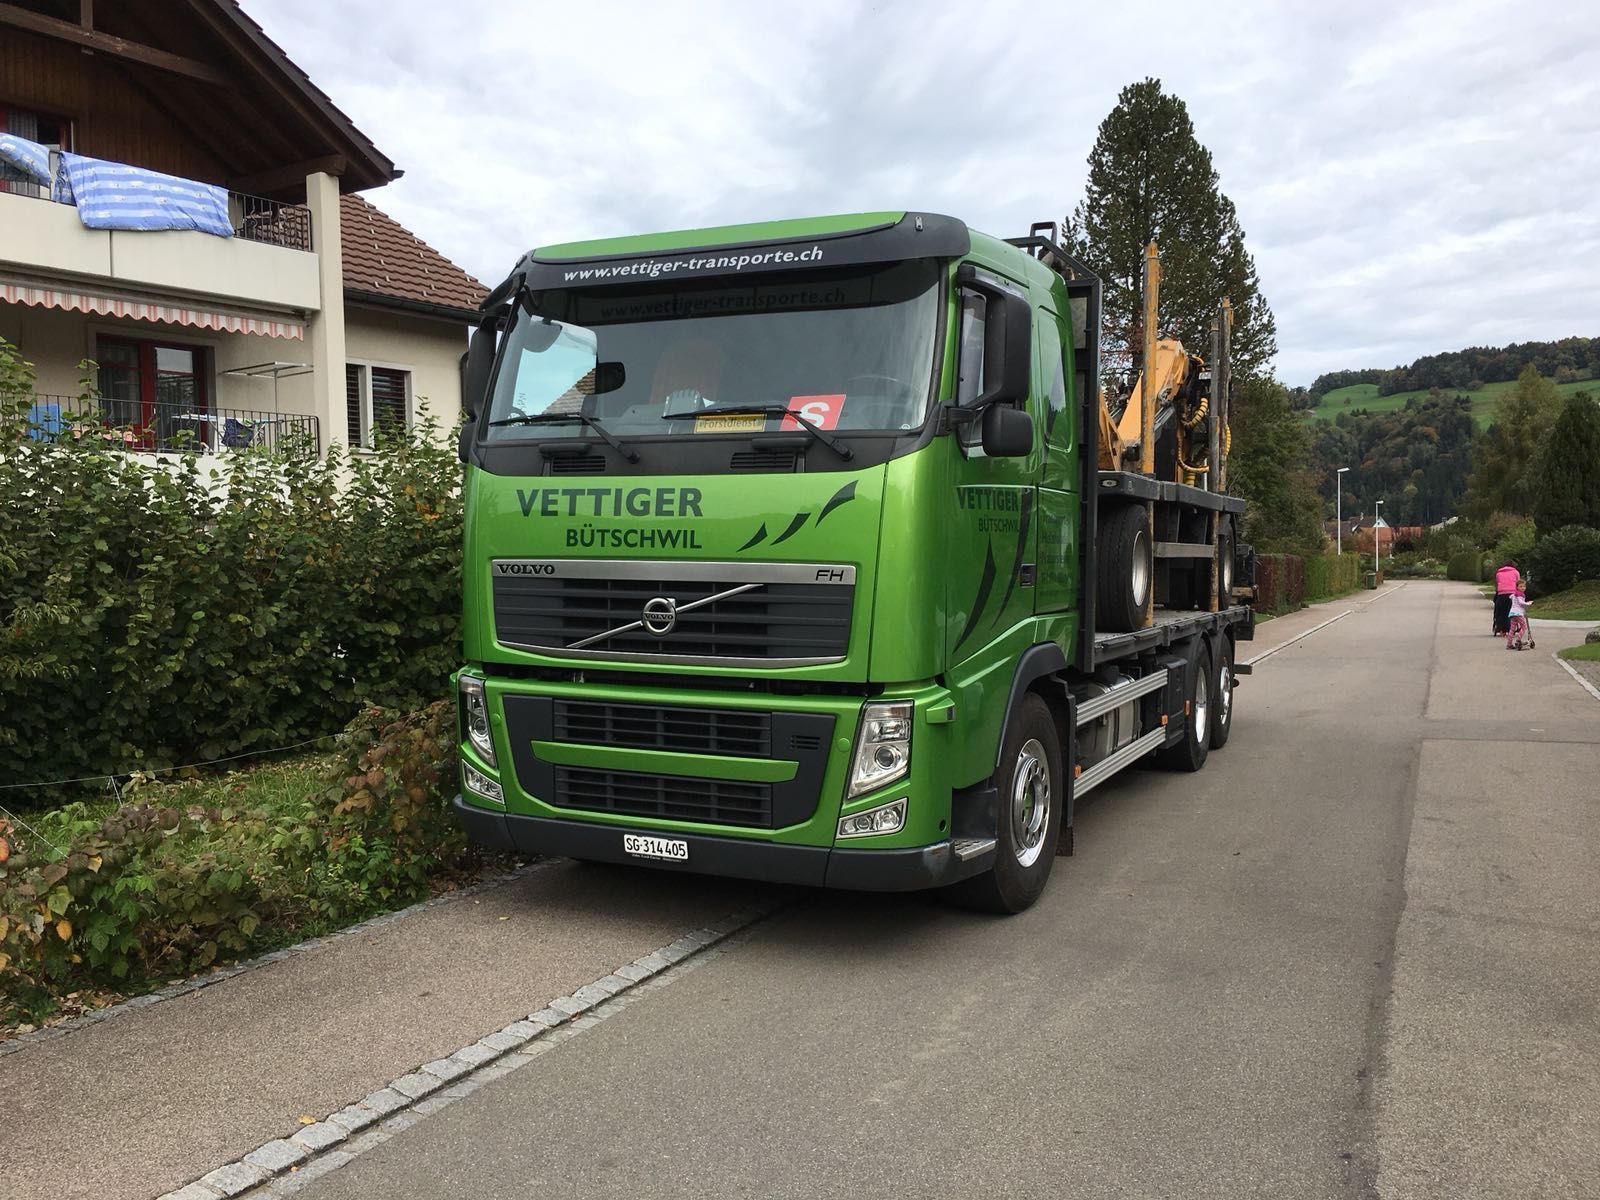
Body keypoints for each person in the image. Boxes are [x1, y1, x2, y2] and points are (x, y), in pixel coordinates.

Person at [1493, 558, 1519, 636]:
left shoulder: (1498, 573)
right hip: (1512, 594)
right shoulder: (1516, 572)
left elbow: (1498, 583)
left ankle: (1500, 629)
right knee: (1510, 612)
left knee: (1500, 612)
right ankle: (1509, 629)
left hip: (1501, 594)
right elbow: (1518, 583)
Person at [1506, 579, 1532, 650]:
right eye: (1521, 586)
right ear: (1517, 587)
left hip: (1512, 613)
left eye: (1524, 586)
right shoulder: (1521, 594)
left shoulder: (1514, 594)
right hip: (1518, 613)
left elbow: (1510, 597)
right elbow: (1521, 602)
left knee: (1512, 629)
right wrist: (1528, 603)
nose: (1523, 588)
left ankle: (1509, 644)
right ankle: (1518, 640)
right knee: (1524, 627)